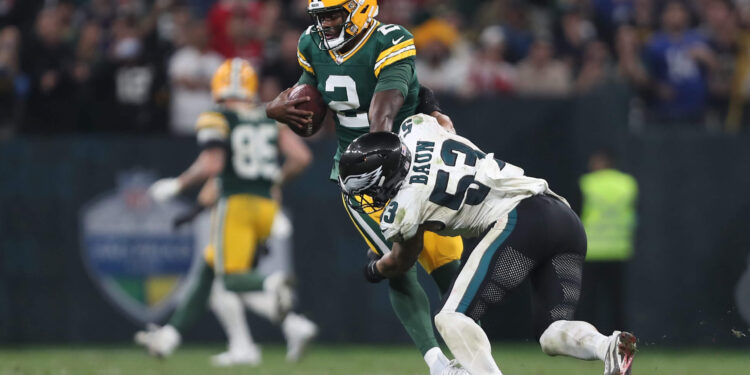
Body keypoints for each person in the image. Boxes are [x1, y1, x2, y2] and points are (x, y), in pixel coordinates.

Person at [337, 114, 637, 375]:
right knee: (550, 333)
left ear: (384, 177)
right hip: (563, 216)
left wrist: (375, 269)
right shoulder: (417, 129)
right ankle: (607, 346)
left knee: (451, 317)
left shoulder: (404, 207)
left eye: (368, 188)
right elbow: (440, 120)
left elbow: (404, 260)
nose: (370, 196)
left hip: (520, 218)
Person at [265, 2, 465, 374]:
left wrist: (421, 114)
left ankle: (474, 360)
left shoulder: (390, 39)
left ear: (359, 10)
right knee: (399, 265)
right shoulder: (311, 43)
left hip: (411, 164)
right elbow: (310, 110)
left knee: (449, 269)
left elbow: (383, 115)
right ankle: (438, 363)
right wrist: (279, 110)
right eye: (320, 16)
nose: (324, 23)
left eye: (333, 14)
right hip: (361, 179)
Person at [134, 58, 317, 366]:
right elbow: (300, 157)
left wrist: (179, 185)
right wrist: (274, 180)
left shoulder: (216, 116)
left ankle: (273, 288)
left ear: (218, 84)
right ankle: (169, 338)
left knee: (231, 280)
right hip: (267, 206)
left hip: (236, 205)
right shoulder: (268, 116)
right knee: (209, 271)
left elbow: (214, 166)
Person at [577, 149, 638, 335]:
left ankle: (586, 340)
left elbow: (576, 215)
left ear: (601, 162)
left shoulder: (587, 184)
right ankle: (622, 342)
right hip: (619, 250)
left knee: (588, 303)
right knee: (617, 303)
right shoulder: (628, 184)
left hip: (592, 250)